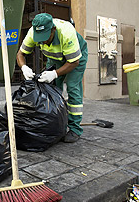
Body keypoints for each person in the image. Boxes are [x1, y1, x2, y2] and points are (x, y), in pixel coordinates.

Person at [16, 13, 88, 143]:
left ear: (53, 29)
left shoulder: (66, 33)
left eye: (45, 37)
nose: (42, 41)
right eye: (40, 38)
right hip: (55, 58)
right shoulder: (33, 32)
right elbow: (20, 54)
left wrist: (54, 73)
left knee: (73, 87)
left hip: (76, 58)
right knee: (53, 88)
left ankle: (75, 129)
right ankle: (59, 123)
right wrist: (24, 68)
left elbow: (73, 62)